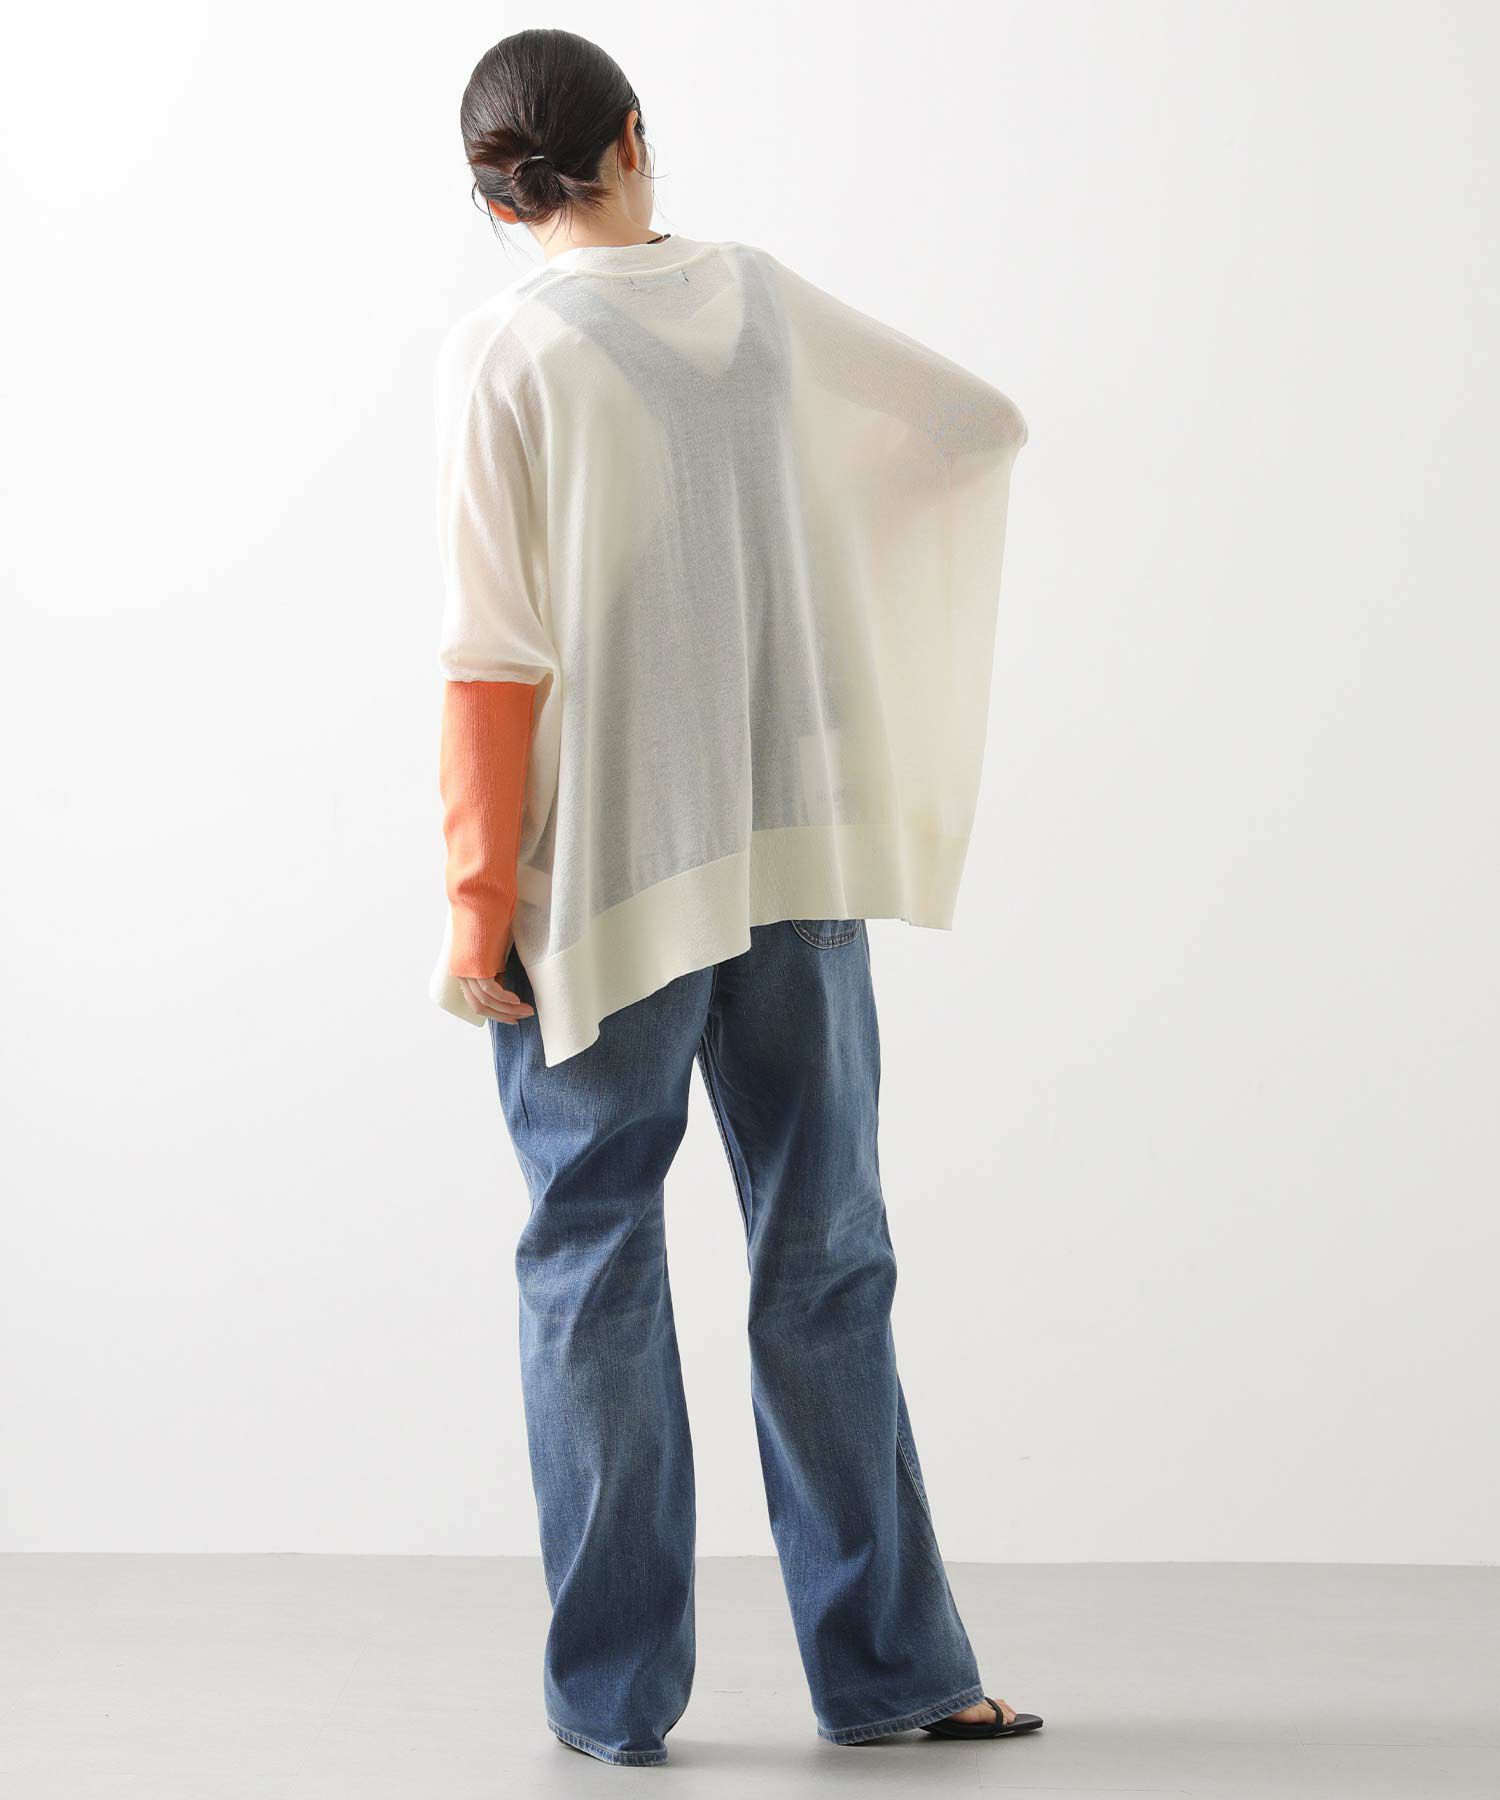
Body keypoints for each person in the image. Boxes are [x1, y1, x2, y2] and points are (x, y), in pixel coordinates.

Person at [430, 26, 1039, 1768]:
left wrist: (475, 905)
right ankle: (898, 1675)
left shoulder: (508, 351)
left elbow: (491, 654)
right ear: (636, 137)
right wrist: (793, 541)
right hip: (791, 843)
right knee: (826, 1251)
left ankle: (615, 1702)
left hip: (606, 878)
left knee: (592, 1257)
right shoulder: (760, 303)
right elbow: (974, 427)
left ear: (494, 198)